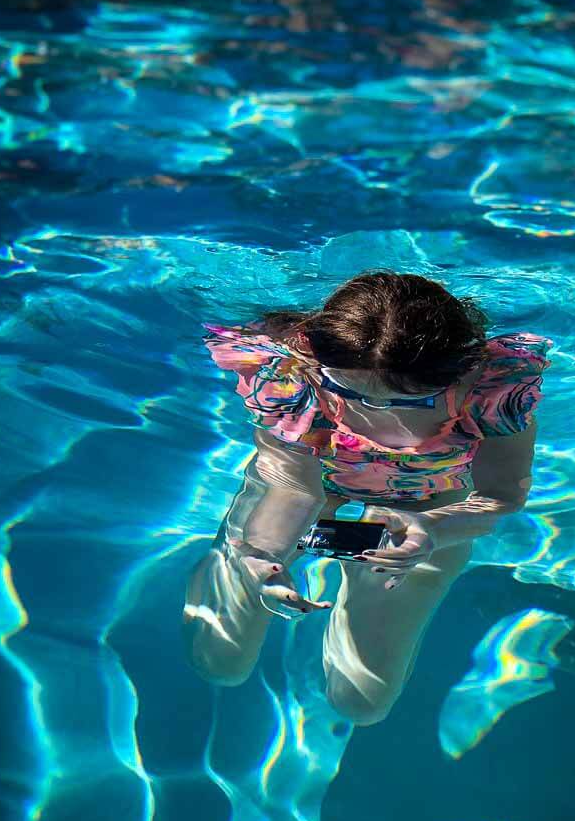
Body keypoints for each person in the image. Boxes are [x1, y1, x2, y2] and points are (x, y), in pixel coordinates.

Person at [183, 271, 553, 725]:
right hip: (315, 481)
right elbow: (293, 486)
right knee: (220, 661)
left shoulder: (491, 391)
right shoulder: (294, 375)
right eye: (345, 390)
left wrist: (433, 530)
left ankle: (361, 576)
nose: (368, 410)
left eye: (406, 400)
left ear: (456, 372)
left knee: (362, 703)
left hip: (426, 499)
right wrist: (263, 557)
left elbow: (500, 495)